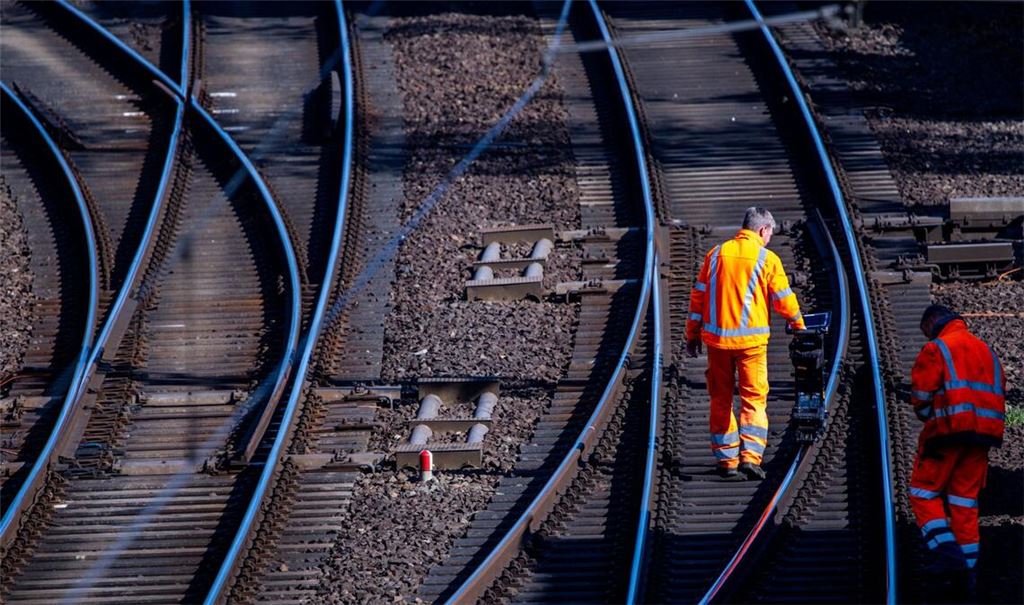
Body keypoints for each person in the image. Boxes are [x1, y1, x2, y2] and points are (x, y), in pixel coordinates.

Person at [685, 207, 805, 480]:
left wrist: (692, 335)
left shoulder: (716, 255)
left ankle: (727, 461)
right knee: (753, 399)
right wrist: (799, 326)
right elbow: (783, 299)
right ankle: (750, 458)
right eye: (770, 233)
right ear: (762, 230)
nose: (769, 239)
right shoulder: (767, 258)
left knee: (720, 399)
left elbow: (698, 299)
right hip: (751, 345)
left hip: (718, 344)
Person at [909, 305, 1005, 601]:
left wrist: (929, 415)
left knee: (923, 493)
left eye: (926, 331)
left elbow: (921, 398)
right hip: (983, 438)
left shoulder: (937, 348)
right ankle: (968, 576)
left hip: (947, 434)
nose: (927, 336)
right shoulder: (986, 351)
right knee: (964, 503)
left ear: (932, 322)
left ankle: (947, 554)